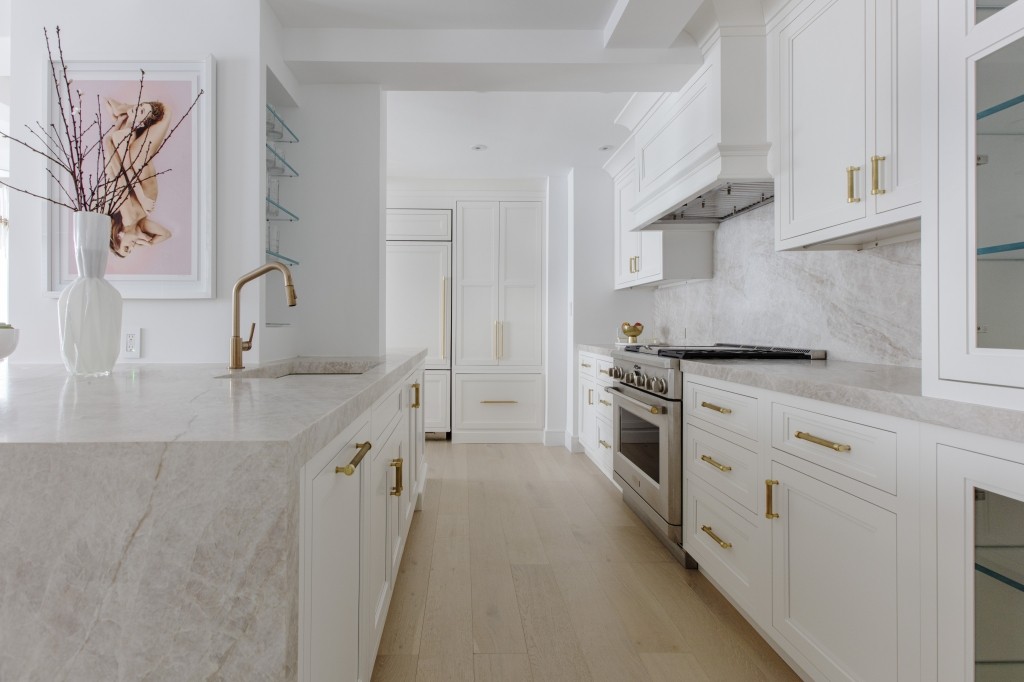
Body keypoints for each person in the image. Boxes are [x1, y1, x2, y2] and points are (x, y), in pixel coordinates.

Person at [102, 97, 172, 257]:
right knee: (161, 114)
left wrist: (109, 144)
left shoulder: (128, 219)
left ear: (118, 237)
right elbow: (166, 234)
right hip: (139, 167)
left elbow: (120, 181)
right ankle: (124, 112)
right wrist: (144, 241)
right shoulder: (139, 225)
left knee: (165, 112)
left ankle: (125, 109)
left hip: (139, 167)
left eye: (127, 248)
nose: (133, 248)